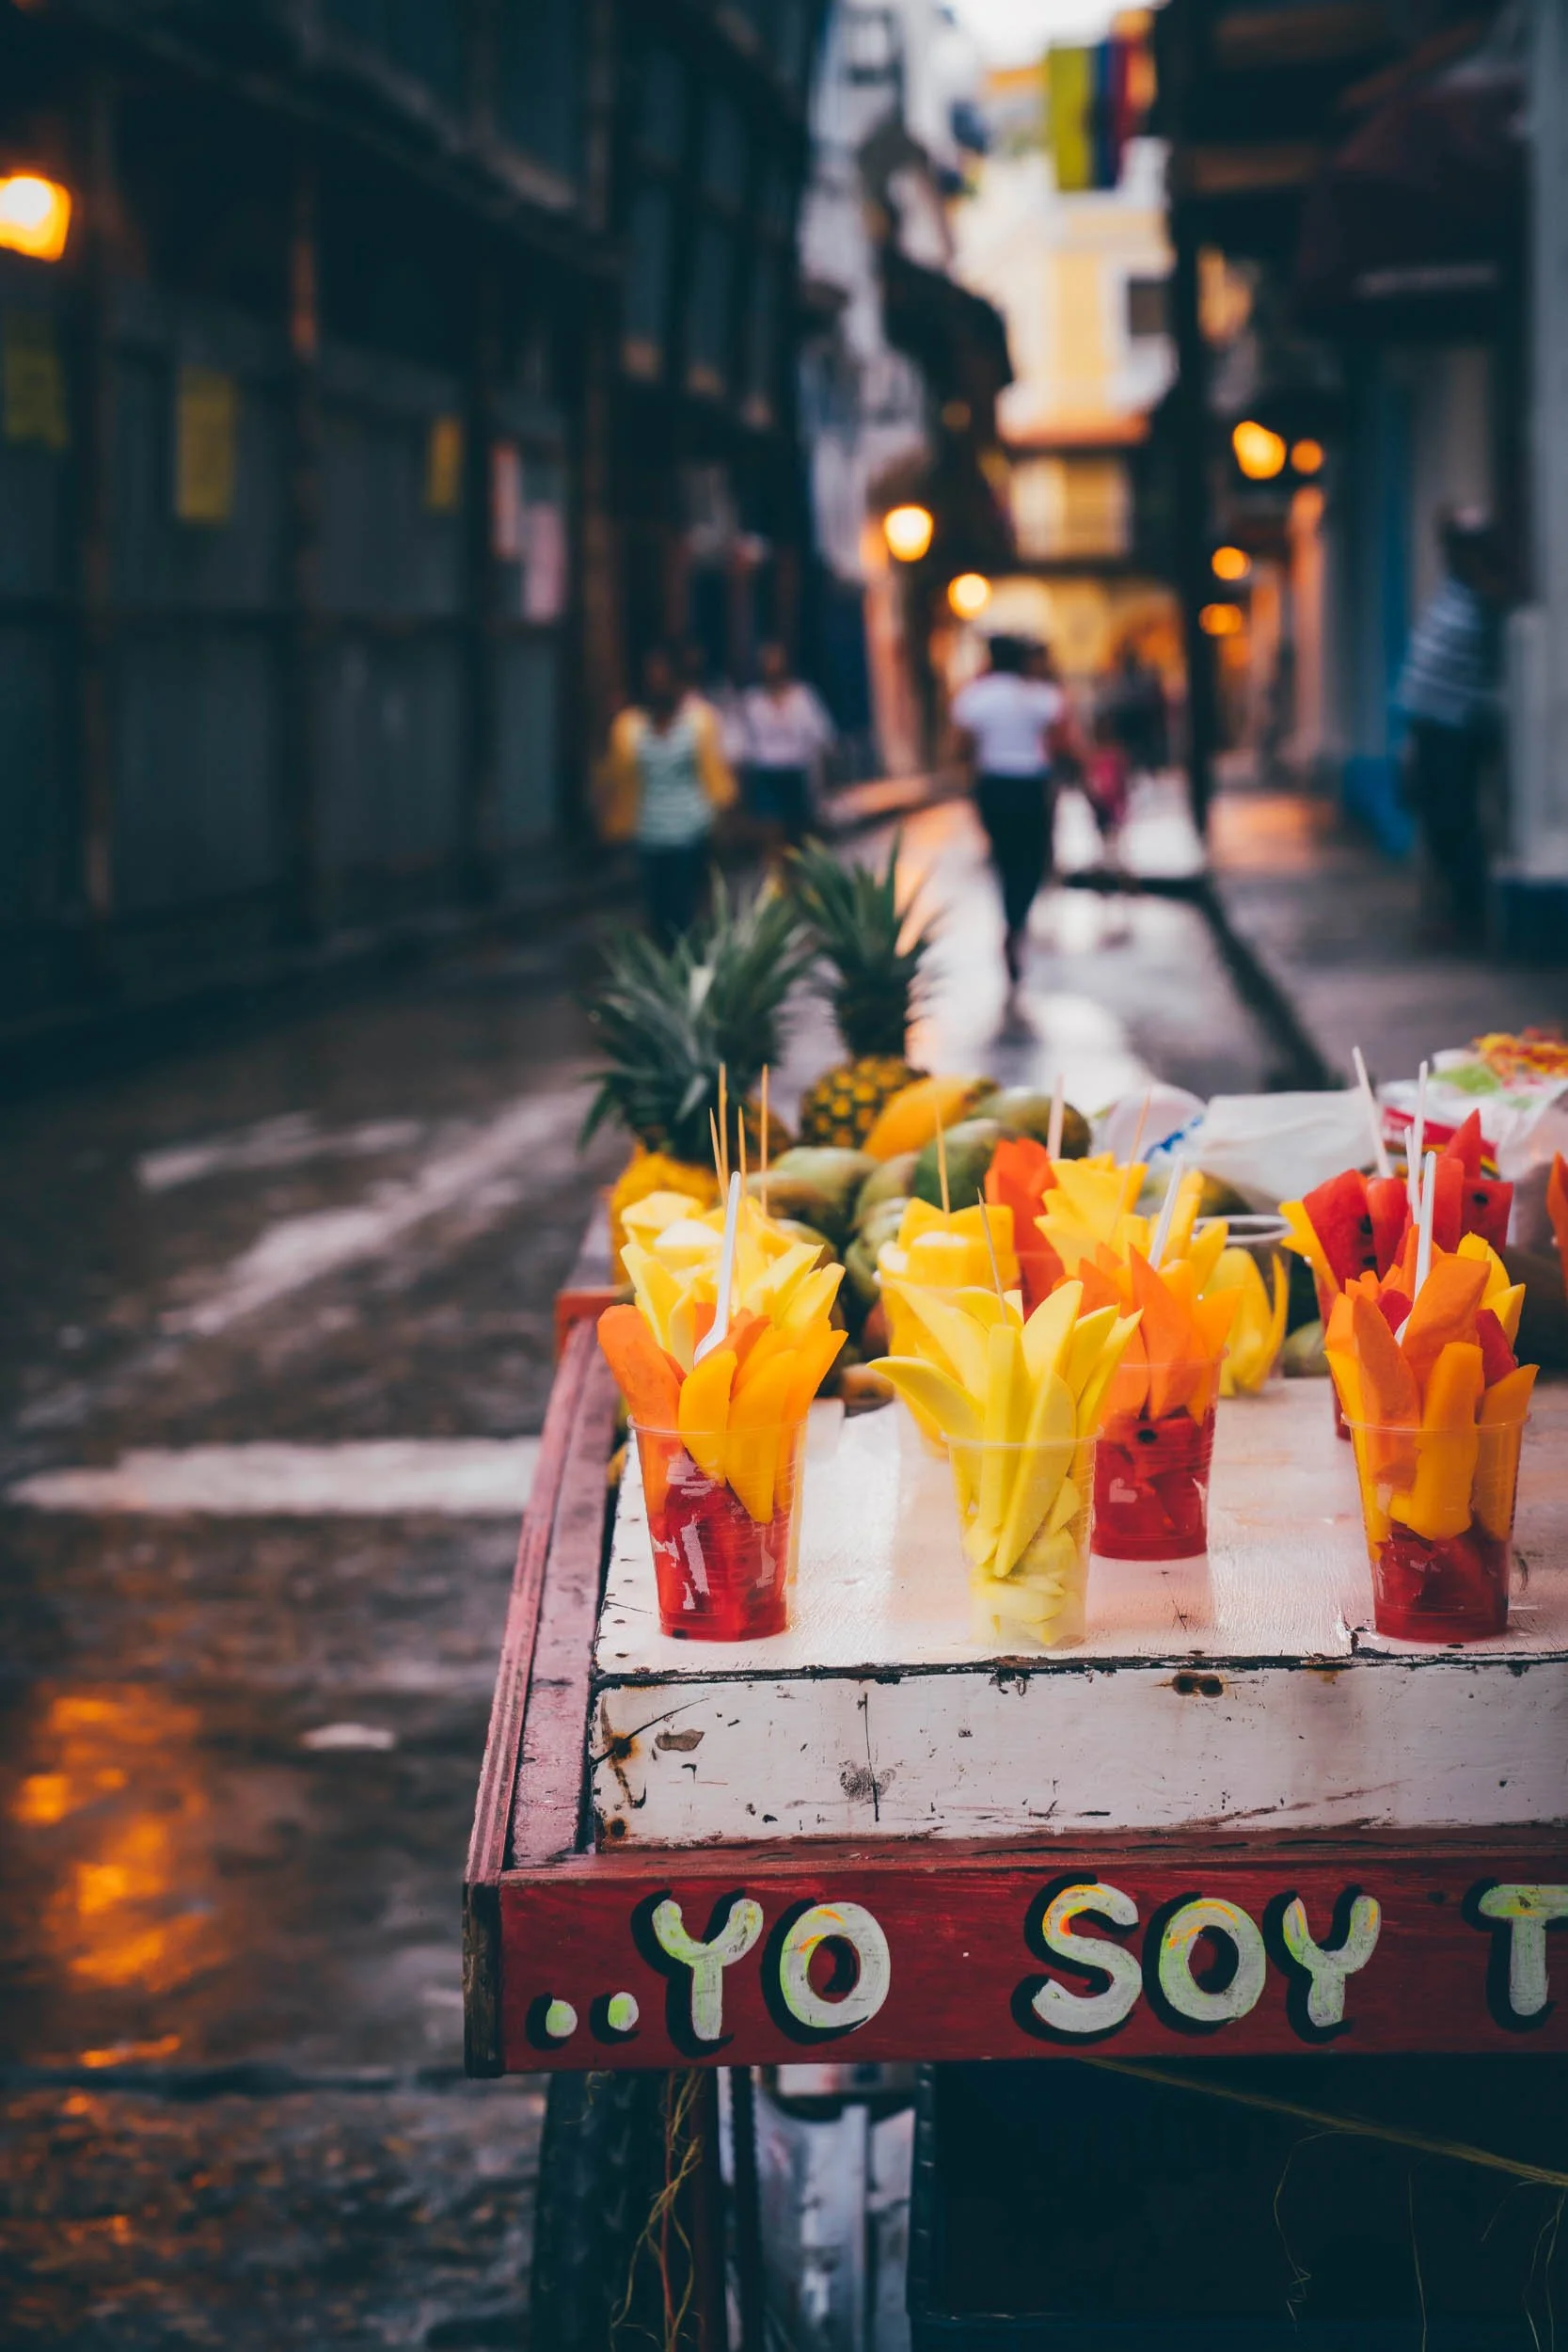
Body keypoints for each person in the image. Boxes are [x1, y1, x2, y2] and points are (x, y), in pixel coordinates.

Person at [1394, 511, 1503, 943]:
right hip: (1428, 723)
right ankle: (1452, 914)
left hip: (1454, 726)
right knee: (1435, 820)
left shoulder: (1483, 596)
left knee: (1454, 821)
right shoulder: (1454, 589)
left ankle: (1466, 917)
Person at [950, 633, 1073, 985]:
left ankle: (1012, 919)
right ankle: (1016, 923)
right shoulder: (1039, 695)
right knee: (1031, 860)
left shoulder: (974, 696)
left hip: (992, 785)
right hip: (1032, 785)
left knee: (1004, 857)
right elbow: (1061, 738)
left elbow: (960, 745)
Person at [599, 644, 737, 945]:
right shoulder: (629, 726)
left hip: (690, 830)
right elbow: (616, 778)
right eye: (652, 679)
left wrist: (722, 822)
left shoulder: (699, 721)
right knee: (657, 914)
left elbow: (716, 776)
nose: (658, 685)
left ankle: (688, 974)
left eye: (664, 678)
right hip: (649, 831)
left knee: (683, 911)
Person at [739, 640, 835, 852]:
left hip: (796, 772)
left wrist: (824, 783)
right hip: (767, 775)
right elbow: (745, 747)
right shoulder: (753, 702)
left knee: (798, 839)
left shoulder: (803, 697)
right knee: (772, 838)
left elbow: (823, 738)